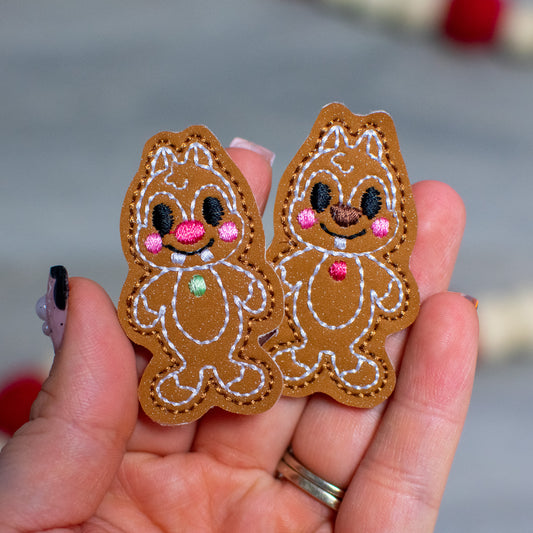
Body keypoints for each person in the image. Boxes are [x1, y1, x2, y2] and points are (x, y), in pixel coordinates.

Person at [0, 139, 479, 532]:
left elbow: (270, 294)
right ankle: (209, 367)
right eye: (165, 219)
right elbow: (157, 309)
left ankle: (306, 359)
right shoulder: (169, 276)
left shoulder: (318, 262)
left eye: (369, 203)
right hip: (196, 358)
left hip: (337, 343)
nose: (186, 228)